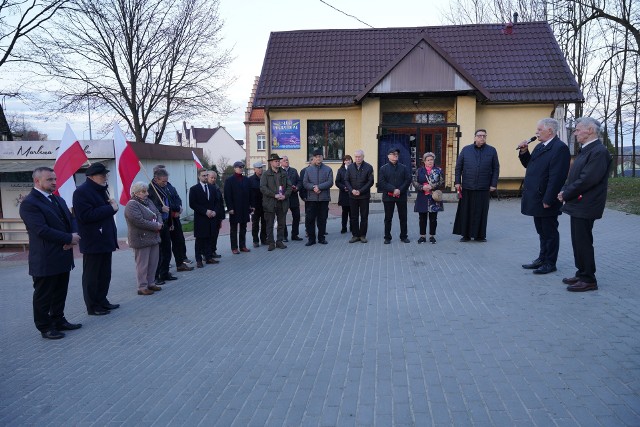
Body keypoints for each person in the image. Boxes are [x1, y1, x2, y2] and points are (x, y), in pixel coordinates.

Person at [19, 167, 82, 339]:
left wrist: (73, 237)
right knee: (44, 295)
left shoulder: (58, 199)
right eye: (49, 179)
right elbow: (41, 230)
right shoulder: (29, 203)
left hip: (63, 254)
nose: (54, 182)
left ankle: (59, 320)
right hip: (45, 257)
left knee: (60, 291)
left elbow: (72, 219)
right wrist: (68, 238)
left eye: (54, 179)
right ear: (37, 181)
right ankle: (45, 327)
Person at [558, 117, 612, 292]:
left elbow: (588, 179)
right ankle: (581, 272)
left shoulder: (599, 151)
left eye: (578, 129)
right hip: (578, 202)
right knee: (577, 240)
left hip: (587, 203)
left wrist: (567, 192)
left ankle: (589, 279)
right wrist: (565, 189)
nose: (575, 133)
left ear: (590, 130)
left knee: (583, 241)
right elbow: (574, 175)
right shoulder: (586, 150)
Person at [518, 118, 571, 274]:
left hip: (546, 198)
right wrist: (523, 151)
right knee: (541, 231)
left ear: (550, 131)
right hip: (535, 197)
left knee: (550, 232)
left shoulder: (559, 148)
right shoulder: (540, 146)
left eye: (540, 130)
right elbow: (530, 164)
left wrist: (549, 199)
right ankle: (542, 258)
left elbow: (557, 177)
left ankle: (550, 262)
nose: (536, 132)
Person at [72, 162, 120, 315]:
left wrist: (110, 208)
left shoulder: (101, 190)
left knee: (105, 273)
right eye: (102, 175)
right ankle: (92, 305)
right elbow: (85, 215)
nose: (105, 177)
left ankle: (102, 299)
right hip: (93, 240)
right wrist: (110, 208)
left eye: (106, 174)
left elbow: (103, 213)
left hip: (105, 238)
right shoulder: (82, 192)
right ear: (91, 177)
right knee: (92, 275)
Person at [453, 129, 500, 242]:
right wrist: (457, 182)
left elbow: (496, 168)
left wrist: (493, 184)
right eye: (479, 136)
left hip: (483, 187)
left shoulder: (492, 150)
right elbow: (458, 167)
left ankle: (480, 235)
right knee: (466, 211)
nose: (482, 138)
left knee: (481, 212)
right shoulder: (466, 150)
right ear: (475, 137)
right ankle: (466, 235)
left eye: (484, 136)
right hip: (467, 186)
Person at [124, 182, 163, 295]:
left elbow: (157, 213)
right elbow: (138, 221)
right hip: (141, 239)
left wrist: (160, 223)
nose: (147, 193)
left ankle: (151, 283)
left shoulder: (148, 201)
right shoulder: (132, 205)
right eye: (143, 191)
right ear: (135, 193)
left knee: (153, 263)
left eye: (146, 191)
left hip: (153, 237)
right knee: (142, 264)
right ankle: (142, 286)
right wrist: (156, 226)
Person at [154, 165, 193, 272]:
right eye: (162, 178)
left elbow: (176, 198)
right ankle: (162, 270)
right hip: (164, 220)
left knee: (179, 241)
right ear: (156, 176)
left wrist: (178, 208)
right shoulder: (153, 189)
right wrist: (173, 210)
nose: (165, 182)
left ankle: (180, 263)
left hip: (174, 219)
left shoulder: (169, 186)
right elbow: (160, 205)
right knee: (164, 247)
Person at [149, 168, 178, 285]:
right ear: (156, 179)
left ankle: (165, 272)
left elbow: (169, 204)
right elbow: (150, 207)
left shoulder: (164, 188)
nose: (165, 184)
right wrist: (161, 208)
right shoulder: (151, 190)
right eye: (163, 181)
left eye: (166, 181)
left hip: (166, 222)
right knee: (159, 252)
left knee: (167, 249)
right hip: (157, 224)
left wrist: (170, 222)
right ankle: (156, 276)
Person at [378, 147, 412, 244]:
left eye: (396, 154)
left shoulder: (404, 168)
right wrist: (393, 189)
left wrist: (399, 190)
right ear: (388, 156)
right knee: (388, 218)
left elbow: (408, 180)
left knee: (403, 217)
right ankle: (387, 237)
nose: (395, 155)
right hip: (388, 197)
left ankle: (404, 236)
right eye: (393, 154)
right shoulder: (383, 168)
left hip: (401, 196)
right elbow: (382, 182)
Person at [189, 168, 222, 268]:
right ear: (199, 176)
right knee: (200, 239)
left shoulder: (212, 188)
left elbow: (217, 202)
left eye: (206, 175)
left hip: (211, 217)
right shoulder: (194, 189)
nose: (205, 177)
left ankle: (208, 257)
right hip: (201, 218)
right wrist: (205, 211)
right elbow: (193, 204)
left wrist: (215, 211)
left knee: (209, 238)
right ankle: (199, 259)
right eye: (203, 175)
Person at [260, 153, 292, 251]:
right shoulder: (265, 174)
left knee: (281, 224)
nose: (278, 163)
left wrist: (285, 195)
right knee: (269, 224)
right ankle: (271, 243)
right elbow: (263, 188)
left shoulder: (283, 173)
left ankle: (279, 241)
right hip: (270, 203)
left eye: (278, 161)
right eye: (276, 161)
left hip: (282, 202)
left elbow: (289, 186)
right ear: (271, 163)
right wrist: (274, 195)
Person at [303, 148, 333, 246]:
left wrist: (319, 187)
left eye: (320, 156)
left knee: (322, 219)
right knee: (311, 219)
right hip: (312, 198)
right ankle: (311, 239)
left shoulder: (328, 169)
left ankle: (321, 238)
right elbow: (305, 183)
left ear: (322, 157)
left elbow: (330, 182)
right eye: (316, 157)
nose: (318, 158)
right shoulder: (308, 170)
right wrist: (313, 187)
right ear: (313, 158)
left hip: (324, 198)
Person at [413, 152, 444, 244]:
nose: (430, 162)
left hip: (434, 197)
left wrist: (432, 186)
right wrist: (422, 187)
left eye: (432, 160)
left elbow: (442, 182)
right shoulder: (419, 171)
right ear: (424, 161)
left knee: (433, 218)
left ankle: (432, 236)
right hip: (422, 196)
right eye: (428, 160)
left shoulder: (438, 170)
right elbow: (414, 182)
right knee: (422, 217)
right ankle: (422, 236)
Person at [345, 149, 374, 243]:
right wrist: (352, 190)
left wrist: (360, 191)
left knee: (364, 216)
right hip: (352, 196)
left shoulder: (369, 167)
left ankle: (362, 235)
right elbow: (346, 180)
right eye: (356, 157)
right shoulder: (350, 168)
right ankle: (355, 235)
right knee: (353, 216)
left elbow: (371, 181)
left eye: (359, 156)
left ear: (363, 157)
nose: (357, 158)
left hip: (364, 196)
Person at [224, 161, 252, 254]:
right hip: (234, 208)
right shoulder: (229, 180)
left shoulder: (246, 180)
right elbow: (227, 195)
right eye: (239, 167)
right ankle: (234, 247)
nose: (241, 168)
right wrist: (230, 208)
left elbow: (249, 194)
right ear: (235, 168)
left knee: (243, 228)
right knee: (234, 229)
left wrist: (250, 206)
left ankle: (242, 246)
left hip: (244, 208)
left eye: (242, 167)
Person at [280, 155, 303, 242]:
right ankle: (284, 236)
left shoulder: (293, 170)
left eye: (287, 160)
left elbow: (299, 182)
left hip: (293, 197)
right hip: (284, 197)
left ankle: (295, 235)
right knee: (283, 217)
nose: (286, 161)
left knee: (296, 216)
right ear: (281, 162)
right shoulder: (279, 172)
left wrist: (296, 187)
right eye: (284, 160)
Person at [207, 170, 225, 258]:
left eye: (215, 178)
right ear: (207, 177)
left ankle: (213, 251)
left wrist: (221, 217)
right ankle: (206, 252)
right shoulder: (206, 188)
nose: (213, 179)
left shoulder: (217, 188)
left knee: (215, 235)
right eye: (212, 178)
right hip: (209, 216)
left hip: (217, 215)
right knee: (209, 235)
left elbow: (220, 202)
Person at [249, 162, 267, 247]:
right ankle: (255, 240)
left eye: (261, 168)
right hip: (255, 206)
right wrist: (250, 205)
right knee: (255, 224)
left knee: (265, 223)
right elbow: (248, 194)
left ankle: (263, 239)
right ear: (254, 169)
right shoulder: (250, 180)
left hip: (265, 204)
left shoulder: (265, 178)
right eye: (258, 168)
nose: (260, 169)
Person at [335, 155, 353, 234]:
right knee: (344, 212)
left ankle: (352, 227)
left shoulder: (354, 169)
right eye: (346, 160)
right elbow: (337, 182)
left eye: (349, 160)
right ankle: (344, 227)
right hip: (344, 194)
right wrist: (343, 187)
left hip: (353, 194)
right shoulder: (340, 170)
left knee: (353, 212)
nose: (348, 161)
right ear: (344, 161)